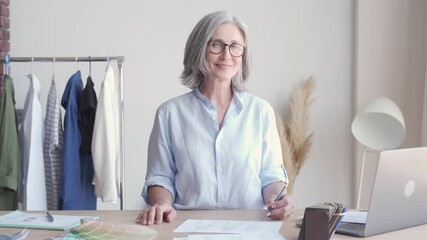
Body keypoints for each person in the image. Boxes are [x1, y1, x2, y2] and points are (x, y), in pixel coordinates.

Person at [136, 11, 294, 226]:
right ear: (200, 49)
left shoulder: (261, 111)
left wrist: (277, 199)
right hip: (187, 225)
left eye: (235, 46)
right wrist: (162, 203)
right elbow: (161, 175)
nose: (227, 55)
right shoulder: (169, 113)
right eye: (217, 45)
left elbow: (270, 173)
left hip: (251, 226)